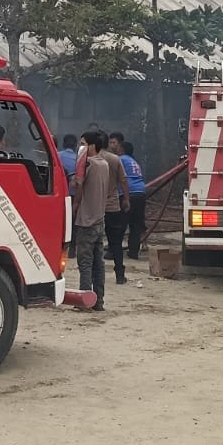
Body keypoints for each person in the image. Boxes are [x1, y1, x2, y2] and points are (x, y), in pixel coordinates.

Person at [72, 129, 113, 311]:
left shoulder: (88, 164)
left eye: (83, 144)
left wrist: (75, 206)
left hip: (86, 220)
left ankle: (84, 301)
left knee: (85, 263)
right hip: (99, 219)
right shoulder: (104, 164)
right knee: (98, 264)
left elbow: (79, 185)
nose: (80, 147)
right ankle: (99, 301)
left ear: (92, 146)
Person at [96, 133, 132, 284]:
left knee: (94, 242)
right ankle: (120, 275)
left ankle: (95, 275)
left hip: (95, 206)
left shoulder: (92, 159)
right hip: (112, 205)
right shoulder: (115, 159)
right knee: (115, 242)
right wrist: (126, 199)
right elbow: (123, 181)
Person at [119, 140, 147, 260]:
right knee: (136, 224)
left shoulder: (121, 159)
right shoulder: (133, 161)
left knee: (121, 223)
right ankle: (133, 252)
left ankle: (114, 250)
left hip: (128, 192)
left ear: (122, 149)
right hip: (141, 192)